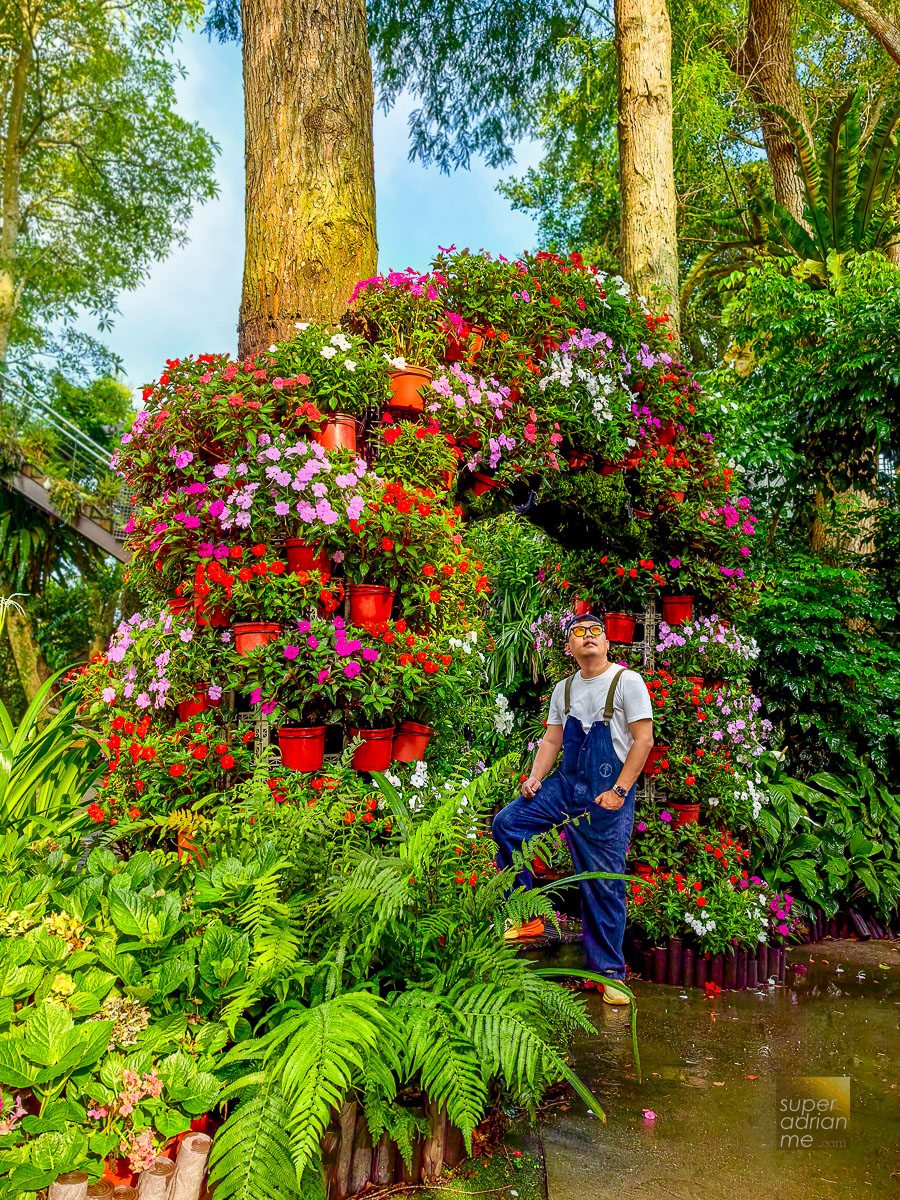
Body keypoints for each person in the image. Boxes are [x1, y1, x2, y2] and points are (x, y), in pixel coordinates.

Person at [491, 613, 654, 1005]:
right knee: (509, 823)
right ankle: (527, 915)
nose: (588, 637)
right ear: (570, 647)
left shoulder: (626, 682)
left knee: (602, 882)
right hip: (567, 785)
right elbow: (551, 741)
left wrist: (619, 790)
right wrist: (534, 778)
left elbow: (643, 740)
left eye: (595, 631)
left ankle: (610, 974)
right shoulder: (563, 689)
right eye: (578, 633)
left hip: (606, 794)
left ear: (607, 642)